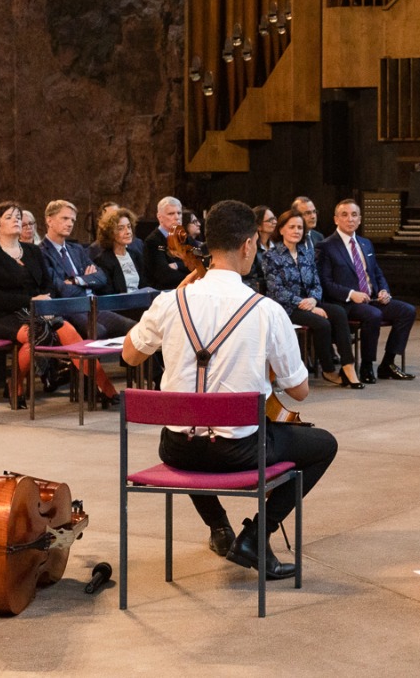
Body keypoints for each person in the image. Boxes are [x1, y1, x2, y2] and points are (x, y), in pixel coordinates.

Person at [123, 200, 337, 577]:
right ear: (249, 245)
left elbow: (129, 355)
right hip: (241, 453)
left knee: (191, 421)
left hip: (177, 450)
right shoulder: (267, 310)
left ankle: (220, 528)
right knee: (323, 445)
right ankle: (256, 536)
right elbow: (300, 391)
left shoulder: (169, 302)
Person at [0, 201, 114, 408]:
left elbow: (47, 284)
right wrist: (30, 301)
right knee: (38, 334)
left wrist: (42, 300)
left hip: (36, 311)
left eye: (18, 217)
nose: (16, 221)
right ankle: (16, 385)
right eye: (9, 217)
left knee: (68, 331)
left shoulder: (31, 251)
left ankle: (106, 389)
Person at [316, 199, 415, 383]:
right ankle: (367, 365)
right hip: (346, 303)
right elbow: (325, 282)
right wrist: (351, 294)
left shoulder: (365, 243)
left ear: (360, 219)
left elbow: (376, 272)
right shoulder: (327, 246)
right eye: (344, 215)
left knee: (407, 311)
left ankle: (388, 363)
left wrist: (384, 290)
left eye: (354, 215)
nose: (350, 219)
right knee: (373, 315)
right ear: (336, 219)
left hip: (372, 298)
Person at [263, 208, 363, 389]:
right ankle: (328, 370)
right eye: (291, 227)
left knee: (339, 312)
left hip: (310, 302)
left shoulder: (306, 253)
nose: (296, 231)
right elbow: (276, 290)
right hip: (287, 307)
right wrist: (306, 305)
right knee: (322, 323)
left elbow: (317, 283)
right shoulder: (271, 256)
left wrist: (314, 301)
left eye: (299, 228)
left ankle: (348, 366)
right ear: (282, 230)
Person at [40, 200, 133, 338]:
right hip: (69, 309)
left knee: (134, 328)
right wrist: (87, 282)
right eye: (65, 218)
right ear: (49, 220)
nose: (70, 223)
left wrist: (76, 280)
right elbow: (62, 289)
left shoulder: (76, 250)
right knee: (98, 332)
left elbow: (102, 278)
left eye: (72, 220)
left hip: (92, 306)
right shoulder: (41, 252)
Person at [91, 207, 143, 294]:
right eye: (121, 228)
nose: (128, 232)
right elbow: (107, 293)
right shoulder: (103, 260)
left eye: (129, 227)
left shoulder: (136, 255)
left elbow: (145, 285)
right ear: (110, 232)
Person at [142, 196, 188, 291]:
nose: (177, 217)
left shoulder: (185, 237)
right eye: (171, 214)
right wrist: (192, 274)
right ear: (160, 217)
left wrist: (177, 265)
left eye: (179, 213)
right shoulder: (152, 242)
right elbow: (165, 276)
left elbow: (200, 263)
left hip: (186, 290)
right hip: (164, 293)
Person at [244, 205, 277, 295]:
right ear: (258, 226)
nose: (274, 222)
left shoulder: (277, 246)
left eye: (274, 218)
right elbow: (250, 277)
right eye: (270, 220)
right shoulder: (250, 248)